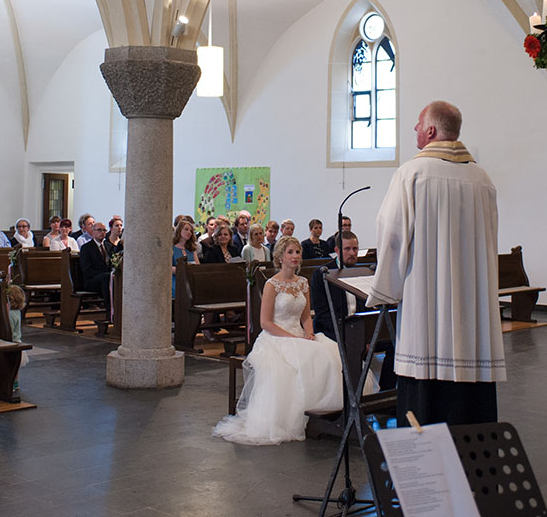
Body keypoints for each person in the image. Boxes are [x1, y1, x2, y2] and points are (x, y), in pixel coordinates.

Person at [367, 100, 504, 425]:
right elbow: (490, 240)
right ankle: (474, 467)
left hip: (427, 316)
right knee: (470, 410)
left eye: (418, 123)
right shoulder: (481, 179)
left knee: (425, 408)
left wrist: (385, 290)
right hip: (473, 319)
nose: (414, 129)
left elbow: (392, 235)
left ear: (431, 130)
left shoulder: (412, 174)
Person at [213, 236, 342, 445]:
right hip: (275, 337)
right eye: (290, 252)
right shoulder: (272, 285)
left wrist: (308, 333)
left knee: (329, 354)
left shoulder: (303, 283)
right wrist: (292, 338)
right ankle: (293, 417)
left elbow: (307, 316)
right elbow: (265, 322)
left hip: (299, 335)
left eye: (298, 252)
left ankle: (322, 414)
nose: (295, 257)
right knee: (294, 366)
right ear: (280, 257)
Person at [312, 231, 396, 390]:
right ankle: (351, 397)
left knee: (393, 344)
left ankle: (384, 395)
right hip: (333, 329)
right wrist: (351, 335)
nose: (352, 253)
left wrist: (368, 337)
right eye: (347, 249)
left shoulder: (362, 272)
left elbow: (369, 306)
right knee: (349, 347)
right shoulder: (322, 274)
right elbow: (323, 314)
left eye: (355, 249)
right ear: (337, 250)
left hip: (361, 329)